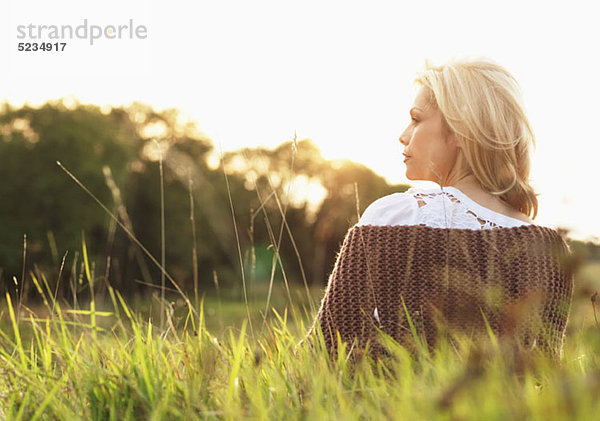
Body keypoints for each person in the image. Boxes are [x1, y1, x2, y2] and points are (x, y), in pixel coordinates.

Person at [305, 57, 574, 360]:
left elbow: (326, 353)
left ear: (462, 128)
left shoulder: (393, 217)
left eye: (417, 119)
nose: (403, 134)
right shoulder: (549, 249)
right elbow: (544, 378)